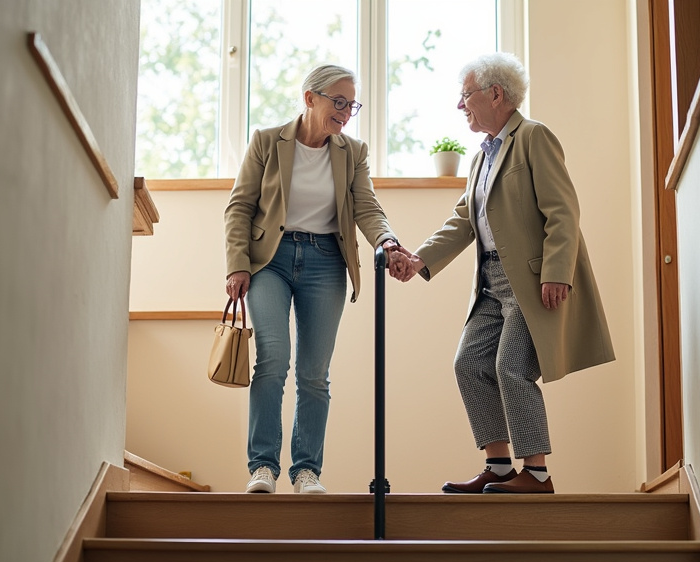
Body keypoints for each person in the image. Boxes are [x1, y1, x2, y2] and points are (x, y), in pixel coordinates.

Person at [394, 53, 615, 494]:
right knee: (470, 363)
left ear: (495, 94)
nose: (461, 106)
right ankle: (497, 467)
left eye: (465, 96)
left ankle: (536, 474)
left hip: (531, 282)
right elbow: (463, 221)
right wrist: (418, 259)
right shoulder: (481, 158)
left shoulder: (534, 138)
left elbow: (563, 212)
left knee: (510, 367)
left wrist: (557, 272)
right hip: (491, 283)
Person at [224, 64, 410, 494]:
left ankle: (306, 470)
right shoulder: (267, 142)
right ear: (310, 98)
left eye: (352, 104)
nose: (346, 112)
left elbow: (367, 206)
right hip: (270, 258)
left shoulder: (353, 152)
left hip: (326, 260)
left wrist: (388, 240)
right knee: (273, 359)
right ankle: (263, 467)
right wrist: (237, 263)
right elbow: (239, 207)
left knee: (313, 373)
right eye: (338, 101)